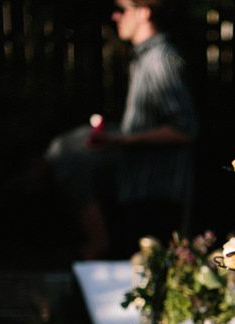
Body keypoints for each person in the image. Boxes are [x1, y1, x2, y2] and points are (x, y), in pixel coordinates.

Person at [43, 0, 197, 258]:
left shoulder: (160, 60)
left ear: (144, 12)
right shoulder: (144, 58)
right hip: (139, 191)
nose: (115, 16)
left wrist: (121, 140)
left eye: (122, 9)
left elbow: (185, 129)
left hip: (158, 195)